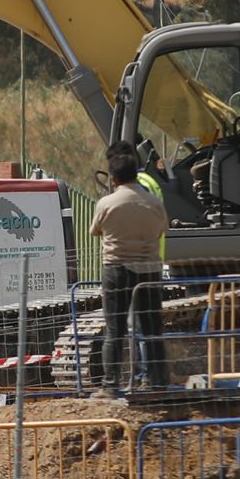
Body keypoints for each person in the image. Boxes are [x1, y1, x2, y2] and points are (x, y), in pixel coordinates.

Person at [90, 143, 169, 393]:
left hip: (117, 269)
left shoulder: (106, 203)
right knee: (152, 327)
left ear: (113, 178)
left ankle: (110, 385)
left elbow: (95, 231)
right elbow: (163, 229)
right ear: (136, 174)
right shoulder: (154, 202)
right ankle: (157, 382)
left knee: (115, 329)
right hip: (149, 269)